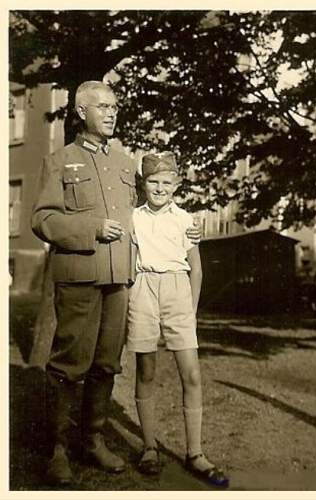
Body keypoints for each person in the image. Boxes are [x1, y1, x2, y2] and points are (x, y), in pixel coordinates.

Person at [31, 80, 201, 486]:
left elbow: (150, 212)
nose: (111, 113)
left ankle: (91, 440)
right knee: (71, 365)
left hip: (120, 281)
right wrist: (90, 228)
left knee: (108, 364)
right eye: (102, 106)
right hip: (79, 278)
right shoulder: (60, 161)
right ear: (81, 112)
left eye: (115, 106)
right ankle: (58, 449)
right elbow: (42, 219)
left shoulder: (127, 163)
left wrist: (187, 232)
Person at [126, 152, 229, 487]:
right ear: (143, 184)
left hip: (178, 290)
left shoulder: (185, 219)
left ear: (177, 185)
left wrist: (191, 309)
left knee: (192, 374)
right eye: (153, 182)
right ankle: (150, 447)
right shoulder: (133, 218)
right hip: (143, 288)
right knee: (147, 369)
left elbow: (195, 267)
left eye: (166, 183)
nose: (159, 188)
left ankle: (195, 452)